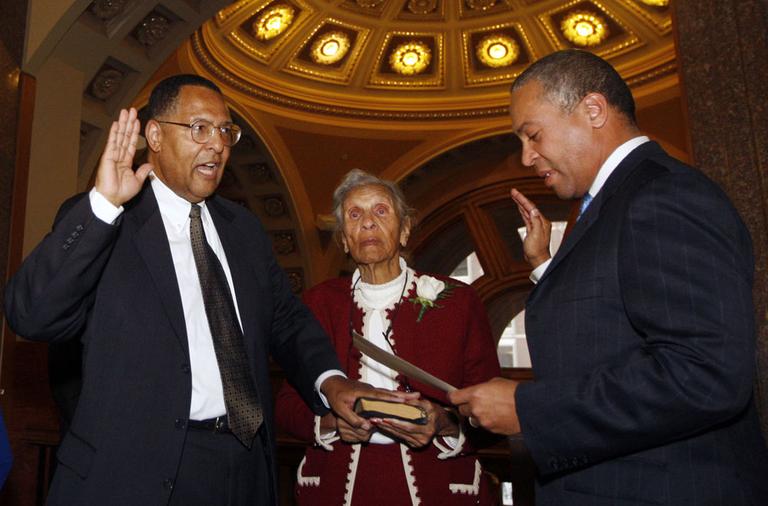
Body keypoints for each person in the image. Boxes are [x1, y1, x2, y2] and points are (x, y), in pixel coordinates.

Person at [4, 74, 404, 505]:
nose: (217, 144)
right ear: (154, 135)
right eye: (199, 128)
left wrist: (331, 383)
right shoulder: (108, 221)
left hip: (244, 466)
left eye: (225, 131)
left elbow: (286, 320)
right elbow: (32, 314)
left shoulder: (245, 230)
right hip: (135, 476)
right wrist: (103, 204)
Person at [448, 49, 768, 505]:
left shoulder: (662, 195)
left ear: (592, 110)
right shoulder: (619, 201)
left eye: (533, 135)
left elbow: (704, 373)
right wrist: (545, 268)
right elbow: (611, 329)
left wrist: (527, 409)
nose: (525, 157)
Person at [275, 169, 501, 505]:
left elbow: (491, 404)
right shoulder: (317, 304)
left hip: (438, 485)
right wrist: (331, 422)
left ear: (405, 229)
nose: (367, 222)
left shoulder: (458, 301)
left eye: (381, 211)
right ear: (343, 240)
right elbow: (286, 406)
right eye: (355, 214)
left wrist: (441, 423)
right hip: (337, 486)